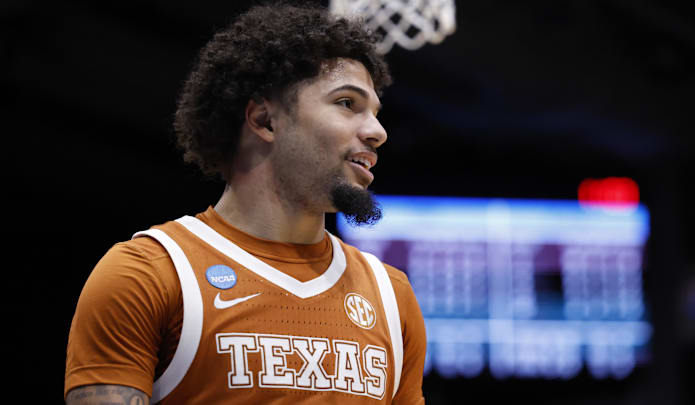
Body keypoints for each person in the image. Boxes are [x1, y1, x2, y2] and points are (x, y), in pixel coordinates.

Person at [64, 2, 427, 404]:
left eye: (376, 113)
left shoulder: (392, 297)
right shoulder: (148, 275)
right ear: (264, 120)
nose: (378, 132)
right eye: (347, 103)